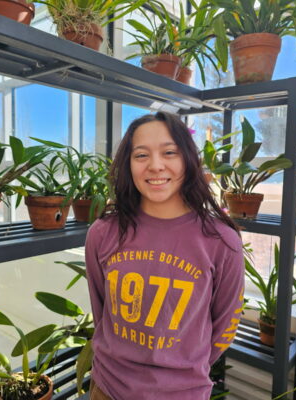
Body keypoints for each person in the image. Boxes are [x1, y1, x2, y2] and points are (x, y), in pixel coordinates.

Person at [85, 111, 244, 400]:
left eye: (169, 152)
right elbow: (101, 311)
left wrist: (184, 368)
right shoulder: (103, 232)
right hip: (108, 388)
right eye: (141, 155)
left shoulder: (221, 240)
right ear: (128, 164)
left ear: (187, 159)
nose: (155, 166)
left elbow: (225, 324)